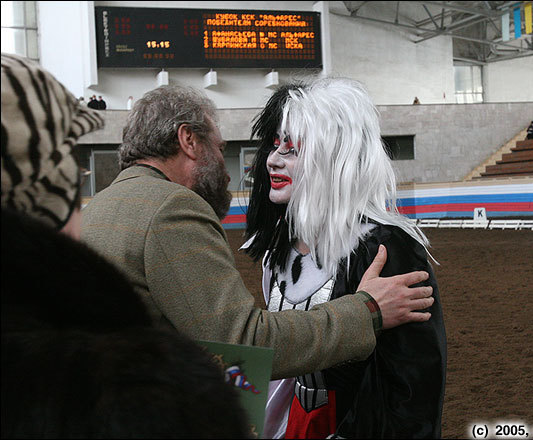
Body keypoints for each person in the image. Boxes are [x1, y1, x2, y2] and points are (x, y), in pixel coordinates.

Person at [81, 85, 435, 382]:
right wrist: (368, 310)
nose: (267, 161)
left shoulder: (94, 211)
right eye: (220, 148)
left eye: (291, 147)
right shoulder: (171, 208)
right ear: (188, 140)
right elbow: (240, 345)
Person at [1, 53, 250, 438]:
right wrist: (365, 308)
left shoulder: (101, 204)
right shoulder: (120, 386)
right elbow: (241, 339)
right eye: (67, 158)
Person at [244, 78, 446, 438]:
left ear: (333, 155)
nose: (272, 160)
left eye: (291, 150)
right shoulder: (279, 249)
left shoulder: (386, 247)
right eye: (275, 147)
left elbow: (415, 384)